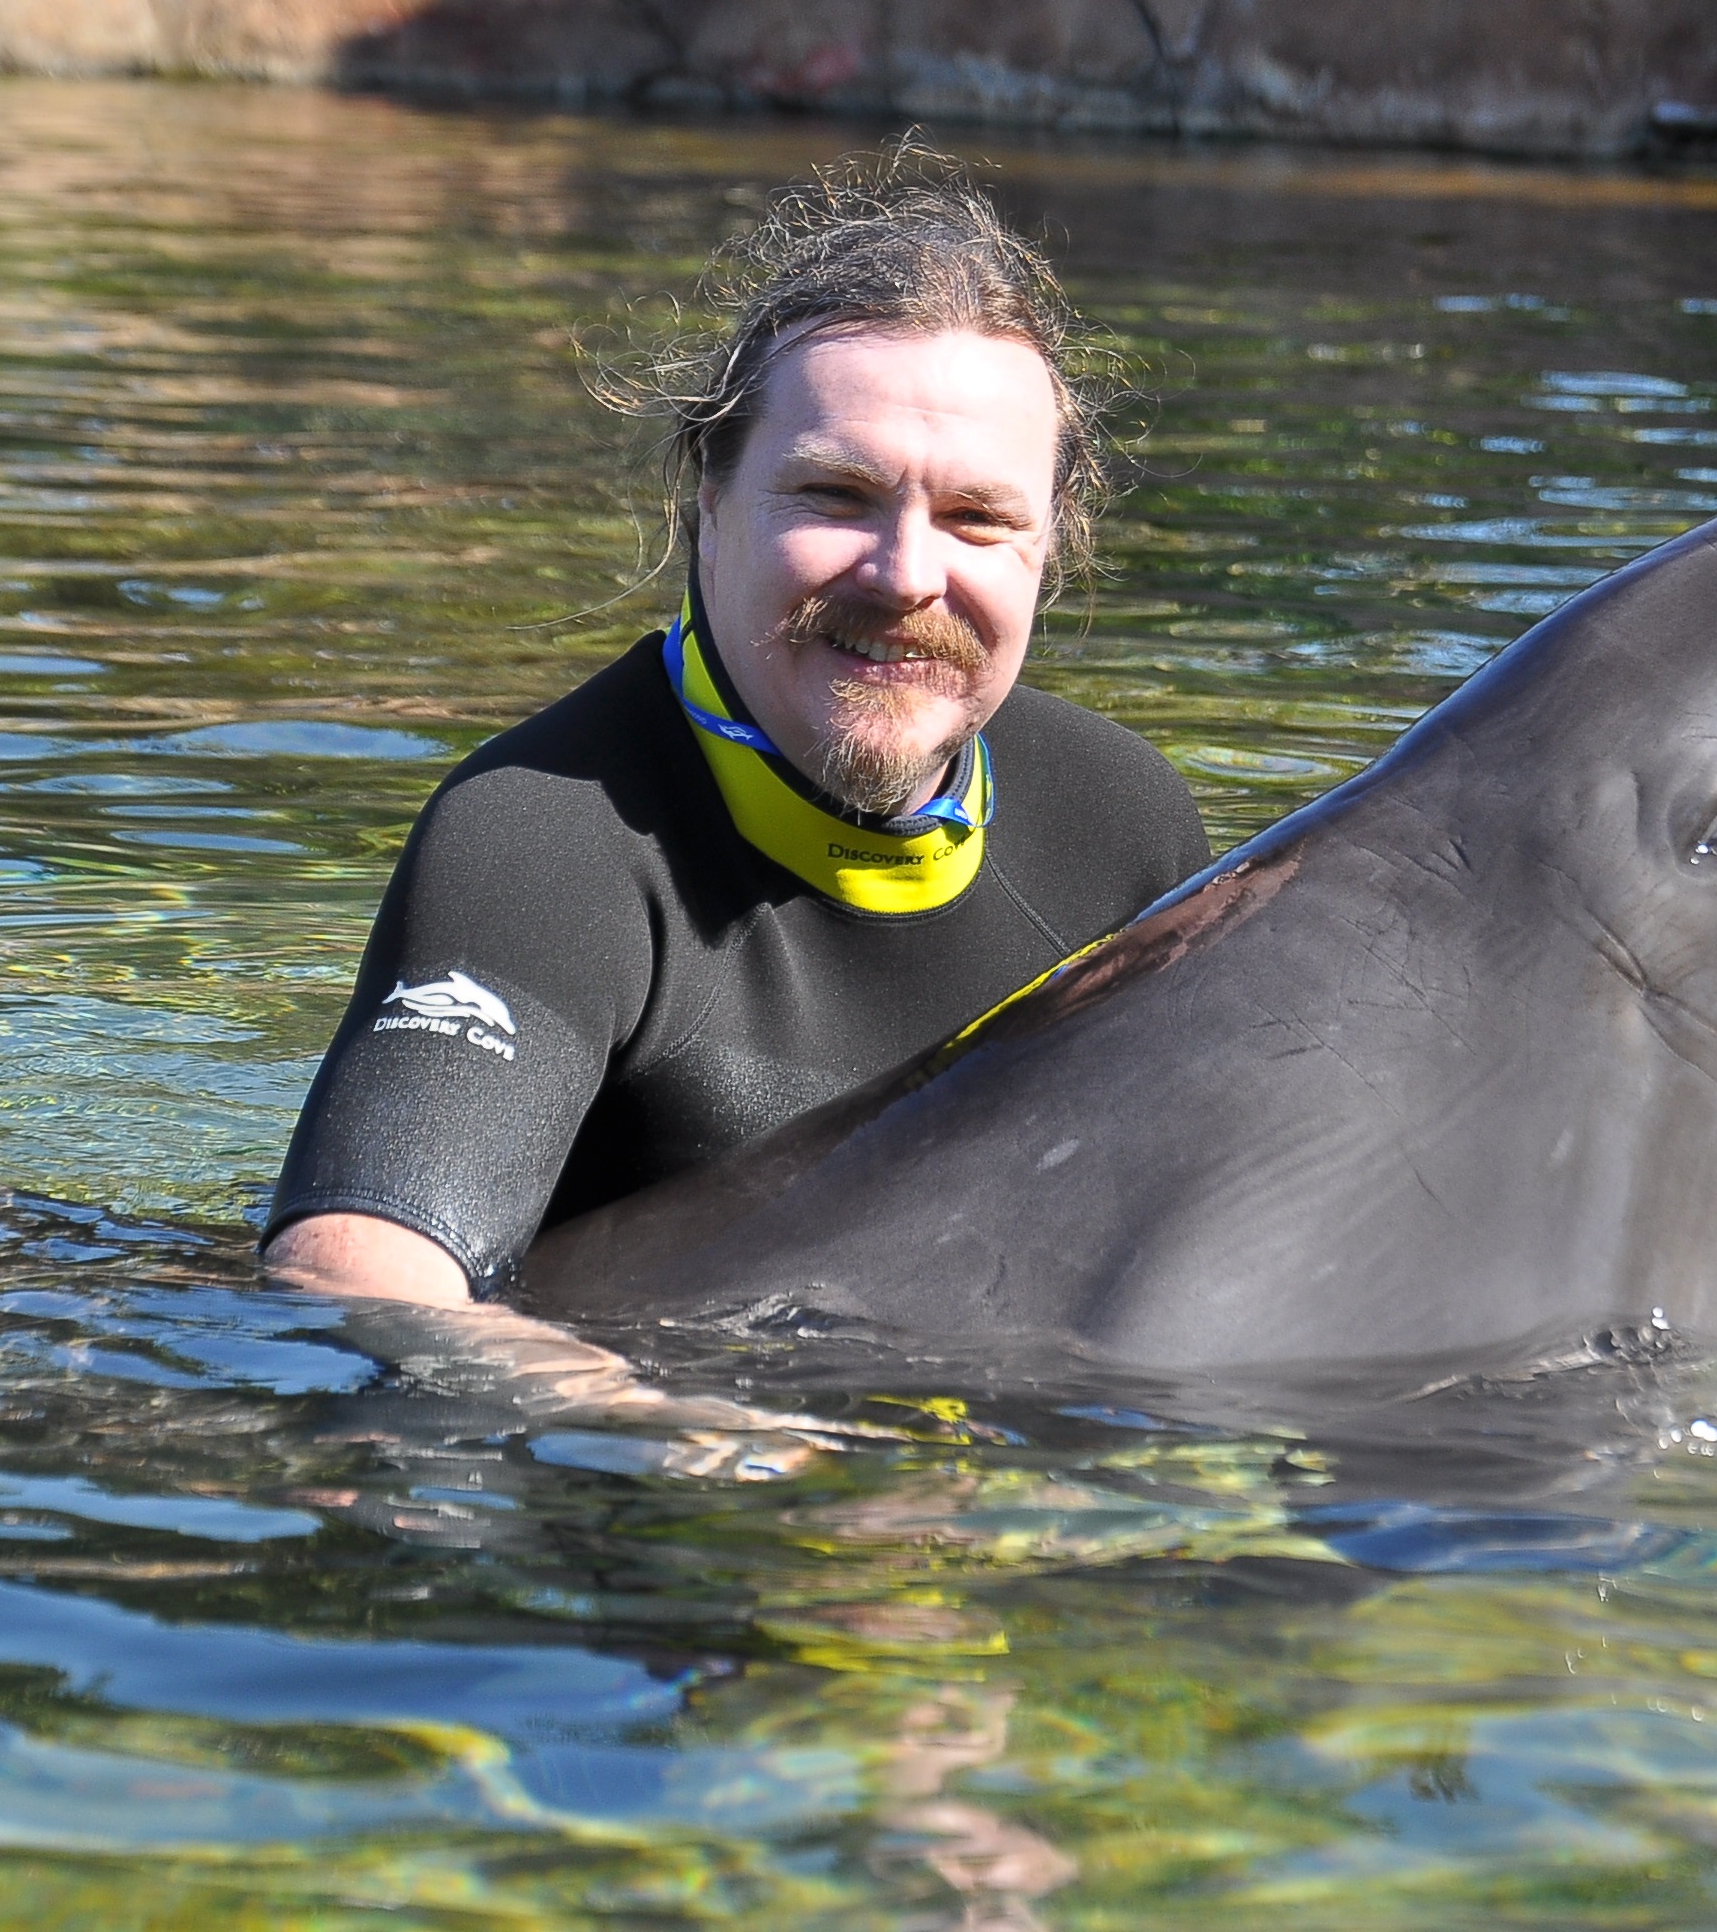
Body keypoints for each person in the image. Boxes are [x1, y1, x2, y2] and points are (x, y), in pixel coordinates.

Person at [260, 151, 1213, 1307]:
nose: (907, 575)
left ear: (1048, 548)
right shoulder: (546, 836)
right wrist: (661, 1412)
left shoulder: (1123, 825)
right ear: (708, 508)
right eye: (836, 496)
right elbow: (353, 1278)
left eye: (977, 517)